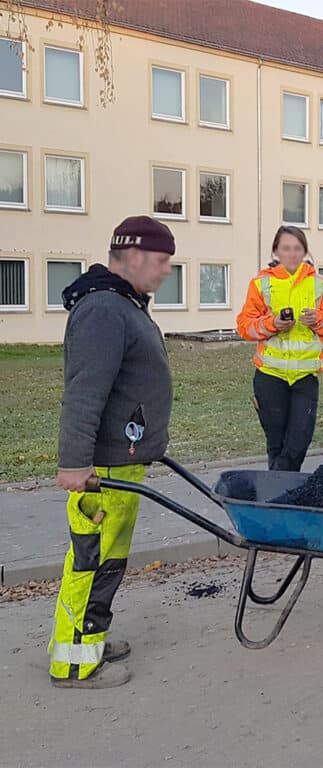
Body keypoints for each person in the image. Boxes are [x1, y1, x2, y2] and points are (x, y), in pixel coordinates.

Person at [50, 216, 175, 688]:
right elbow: (85, 392)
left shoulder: (123, 305)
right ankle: (74, 663)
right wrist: (74, 462)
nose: (166, 271)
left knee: (108, 560)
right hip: (100, 467)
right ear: (136, 255)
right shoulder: (104, 310)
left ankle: (91, 637)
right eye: (162, 261)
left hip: (121, 459)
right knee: (90, 562)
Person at [237, 226, 323, 471]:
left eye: (297, 248)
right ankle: (281, 495)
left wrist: (317, 319)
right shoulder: (261, 284)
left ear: (305, 251)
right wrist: (272, 324)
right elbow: (245, 327)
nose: (292, 253)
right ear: (276, 250)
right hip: (269, 376)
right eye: (286, 248)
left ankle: (275, 487)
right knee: (276, 443)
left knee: (298, 441)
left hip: (305, 378)